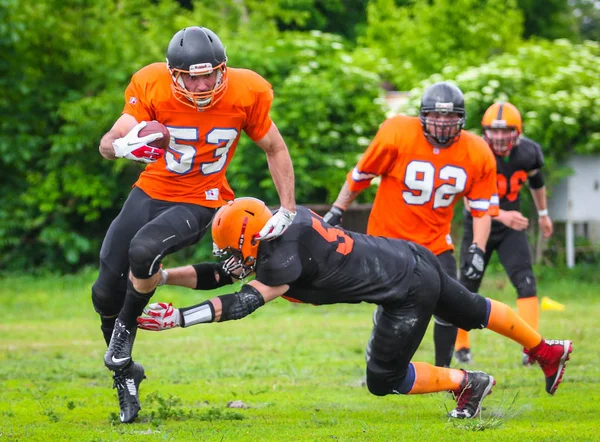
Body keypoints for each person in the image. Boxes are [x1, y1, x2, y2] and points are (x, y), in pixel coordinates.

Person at [137, 197, 572, 420]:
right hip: (409, 255)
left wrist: (178, 318)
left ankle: (467, 382)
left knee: (382, 379)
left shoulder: (281, 257)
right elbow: (224, 274)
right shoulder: (282, 228)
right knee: (474, 309)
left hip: (403, 289)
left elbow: (242, 301)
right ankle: (546, 349)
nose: (232, 258)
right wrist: (166, 277)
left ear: (256, 237)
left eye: (236, 249)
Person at [93, 26, 297, 423]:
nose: (202, 83)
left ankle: (122, 334)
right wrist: (118, 146)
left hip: (204, 197)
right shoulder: (151, 82)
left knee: (144, 250)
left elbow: (275, 147)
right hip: (151, 188)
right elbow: (112, 137)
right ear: (174, 75)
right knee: (103, 289)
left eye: (210, 73)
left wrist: (286, 208)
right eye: (192, 75)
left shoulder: (247, 90)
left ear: (223, 69)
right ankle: (124, 373)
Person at [322, 82, 499, 367]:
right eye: (436, 116)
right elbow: (361, 175)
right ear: (422, 116)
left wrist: (478, 249)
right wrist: (337, 209)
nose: (442, 124)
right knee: (392, 302)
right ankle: (379, 362)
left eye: (450, 117)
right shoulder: (397, 133)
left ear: (461, 119)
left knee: (450, 305)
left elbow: (481, 210)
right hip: (388, 239)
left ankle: (444, 371)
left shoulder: (477, 151)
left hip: (435, 241)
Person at [454, 102, 554, 365]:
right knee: (467, 283)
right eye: (493, 131)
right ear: (485, 132)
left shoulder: (529, 152)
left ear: (517, 132)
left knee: (526, 282)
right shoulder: (476, 150)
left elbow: (536, 182)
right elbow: (468, 200)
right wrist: (502, 215)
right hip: (479, 223)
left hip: (512, 227)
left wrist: (543, 214)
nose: (499, 137)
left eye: (506, 131)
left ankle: (532, 348)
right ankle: (461, 347)